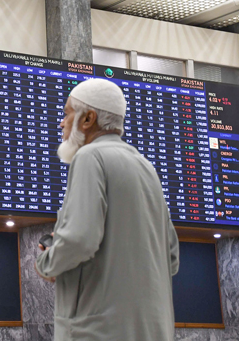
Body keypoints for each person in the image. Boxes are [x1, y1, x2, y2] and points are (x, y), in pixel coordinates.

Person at [35, 78, 179, 341]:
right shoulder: (146, 167)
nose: (62, 124)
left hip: (98, 332)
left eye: (67, 114)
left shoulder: (90, 157)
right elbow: (171, 257)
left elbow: (80, 240)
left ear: (88, 119)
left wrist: (48, 263)